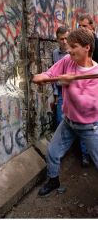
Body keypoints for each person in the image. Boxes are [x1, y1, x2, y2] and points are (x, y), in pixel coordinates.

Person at [33, 28, 98, 196]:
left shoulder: (95, 74)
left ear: (87, 47)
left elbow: (87, 105)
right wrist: (43, 76)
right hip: (68, 121)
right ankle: (53, 180)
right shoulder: (68, 60)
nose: (68, 50)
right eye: (68, 46)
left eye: (73, 46)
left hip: (89, 126)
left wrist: (69, 84)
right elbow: (51, 72)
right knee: (52, 151)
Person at [52, 26, 90, 167]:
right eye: (61, 39)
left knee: (82, 125)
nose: (64, 42)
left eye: (66, 39)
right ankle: (61, 153)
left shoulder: (77, 55)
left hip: (79, 94)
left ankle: (85, 154)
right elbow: (54, 74)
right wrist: (56, 94)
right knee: (61, 122)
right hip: (63, 93)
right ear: (57, 39)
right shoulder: (56, 54)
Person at [77, 13, 98, 166]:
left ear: (92, 26)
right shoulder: (79, 45)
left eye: (84, 26)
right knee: (84, 121)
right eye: (80, 26)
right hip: (83, 91)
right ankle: (85, 155)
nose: (82, 29)